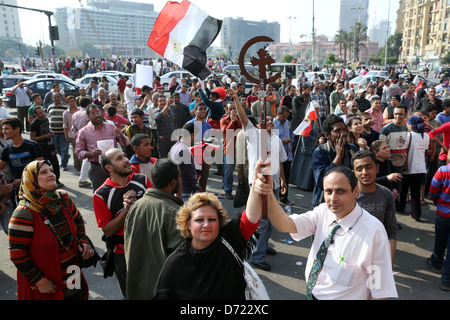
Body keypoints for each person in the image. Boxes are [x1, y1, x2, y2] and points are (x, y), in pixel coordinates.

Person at [255, 165, 398, 300]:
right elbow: (285, 225)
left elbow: (379, 291)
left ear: (355, 192)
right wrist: (268, 192)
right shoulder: (323, 211)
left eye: (340, 191)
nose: (333, 198)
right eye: (328, 191)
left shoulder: (374, 232)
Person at [152, 160, 265, 300]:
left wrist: (256, 184)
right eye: (199, 220)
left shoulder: (228, 239)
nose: (206, 225)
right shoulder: (175, 263)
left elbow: (250, 218)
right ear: (187, 224)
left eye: (212, 219)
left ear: (220, 222)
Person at [8, 160, 95, 300]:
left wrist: (83, 240)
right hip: (47, 286)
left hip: (73, 274)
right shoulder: (24, 214)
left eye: (51, 170)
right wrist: (40, 281)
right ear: (31, 180)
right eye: (43, 172)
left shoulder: (63, 198)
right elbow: (17, 254)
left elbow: (78, 220)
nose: (51, 174)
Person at [93, 148, 151, 299]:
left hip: (150, 247)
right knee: (132, 295)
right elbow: (108, 231)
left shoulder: (142, 180)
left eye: (124, 155)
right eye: (119, 158)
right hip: (123, 253)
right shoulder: (101, 194)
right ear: (109, 168)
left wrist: (139, 204)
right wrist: (126, 210)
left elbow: (155, 208)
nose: (126, 159)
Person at [125, 159, 184, 300]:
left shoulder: (137, 205)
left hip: (137, 288)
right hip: (161, 291)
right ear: (173, 182)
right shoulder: (176, 213)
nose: (181, 180)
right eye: (179, 176)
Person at [352, 150, 398, 264]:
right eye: (359, 169)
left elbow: (391, 230)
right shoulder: (348, 196)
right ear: (354, 172)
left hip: (377, 253)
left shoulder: (387, 194)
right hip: (352, 253)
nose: (365, 172)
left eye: (369, 167)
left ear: (377, 169)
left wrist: (389, 262)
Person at [75, 104, 130, 192]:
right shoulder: (83, 132)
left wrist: (122, 136)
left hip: (115, 166)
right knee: (100, 193)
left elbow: (126, 143)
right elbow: (79, 152)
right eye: (93, 114)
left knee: (118, 191)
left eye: (99, 112)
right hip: (97, 168)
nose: (97, 115)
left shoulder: (111, 127)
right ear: (88, 116)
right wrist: (91, 153)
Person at [312, 114, 359, 206]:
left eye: (344, 130)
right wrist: (338, 157)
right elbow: (321, 182)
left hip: (349, 200)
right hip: (326, 202)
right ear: (327, 135)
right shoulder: (320, 152)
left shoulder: (352, 149)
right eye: (337, 131)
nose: (343, 134)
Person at [397, 115, 430, 222]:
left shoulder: (408, 135)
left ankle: (401, 208)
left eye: (408, 123)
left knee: (403, 191)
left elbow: (402, 149)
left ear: (411, 124)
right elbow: (425, 150)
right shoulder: (426, 136)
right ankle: (416, 214)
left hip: (408, 168)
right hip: (420, 168)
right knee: (416, 193)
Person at [428, 155, 450, 291]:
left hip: (442, 213)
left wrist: (437, 203)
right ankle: (447, 280)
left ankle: (436, 263)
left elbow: (433, 191)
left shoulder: (443, 170)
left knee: (440, 239)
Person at [29, 106, 64, 188]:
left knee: (55, 162)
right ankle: (44, 183)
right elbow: (32, 138)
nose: (43, 114)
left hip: (49, 145)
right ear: (35, 114)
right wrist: (45, 136)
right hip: (41, 147)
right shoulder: (34, 124)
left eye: (43, 112)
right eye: (40, 113)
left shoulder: (46, 119)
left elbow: (46, 129)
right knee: (44, 165)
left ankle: (57, 180)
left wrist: (50, 133)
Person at [169, 122, 201, 201]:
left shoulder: (176, 146)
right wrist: (179, 199)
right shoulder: (183, 151)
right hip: (185, 194)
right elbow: (179, 176)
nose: (197, 140)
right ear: (192, 135)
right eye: (197, 137)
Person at [220, 101, 242, 199]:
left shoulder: (240, 120)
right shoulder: (224, 120)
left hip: (240, 149)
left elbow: (243, 128)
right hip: (229, 149)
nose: (233, 111)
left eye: (234, 109)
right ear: (227, 110)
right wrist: (233, 121)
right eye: (230, 109)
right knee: (228, 172)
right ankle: (227, 190)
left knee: (240, 171)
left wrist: (236, 120)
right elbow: (226, 131)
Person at [379, 105, 409, 174]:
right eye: (396, 114)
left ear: (405, 115)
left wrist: (406, 162)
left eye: (400, 114)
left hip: (401, 164)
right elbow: (381, 148)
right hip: (390, 165)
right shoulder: (386, 129)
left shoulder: (405, 128)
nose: (398, 116)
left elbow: (406, 146)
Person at [47, 92, 70, 171]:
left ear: (61, 98)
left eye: (58, 97)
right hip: (53, 133)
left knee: (63, 149)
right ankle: (66, 156)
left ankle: (64, 164)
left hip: (63, 132)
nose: (56, 98)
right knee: (56, 149)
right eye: (55, 97)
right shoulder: (50, 107)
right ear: (52, 98)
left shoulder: (66, 107)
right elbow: (49, 117)